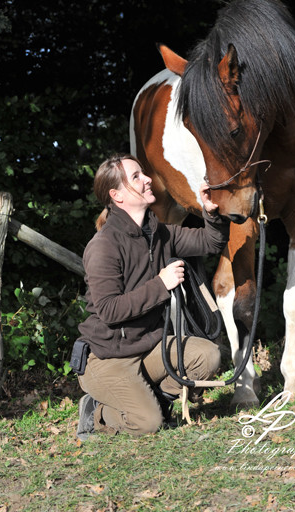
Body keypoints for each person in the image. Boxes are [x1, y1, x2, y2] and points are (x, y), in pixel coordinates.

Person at [76, 153, 230, 439]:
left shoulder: (158, 233)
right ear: (117, 195)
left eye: (142, 174)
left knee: (206, 356)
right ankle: (97, 412)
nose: (147, 179)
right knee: (147, 424)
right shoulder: (103, 246)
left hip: (148, 346)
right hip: (107, 357)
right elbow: (109, 311)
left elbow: (210, 242)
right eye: (136, 177)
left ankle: (151, 401)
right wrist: (161, 284)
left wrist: (210, 213)